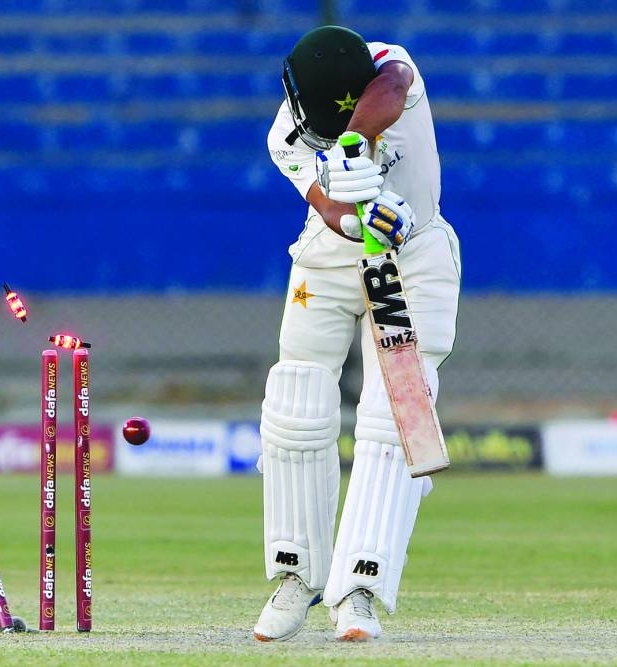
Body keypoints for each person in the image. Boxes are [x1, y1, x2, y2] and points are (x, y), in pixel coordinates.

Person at [254, 25, 461, 642]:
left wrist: (350, 144)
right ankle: (297, 578)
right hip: (330, 256)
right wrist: (358, 215)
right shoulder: (285, 133)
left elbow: (392, 86)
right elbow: (329, 210)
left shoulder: (393, 66)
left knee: (394, 416)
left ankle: (360, 590)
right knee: (295, 404)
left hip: (414, 255)